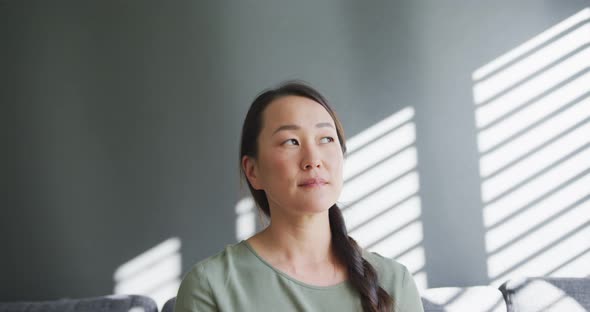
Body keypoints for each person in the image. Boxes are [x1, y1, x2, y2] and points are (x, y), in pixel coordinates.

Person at [175, 81, 424, 312]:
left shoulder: (394, 282)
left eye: (326, 138)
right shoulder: (211, 286)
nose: (313, 159)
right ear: (253, 171)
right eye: (291, 141)